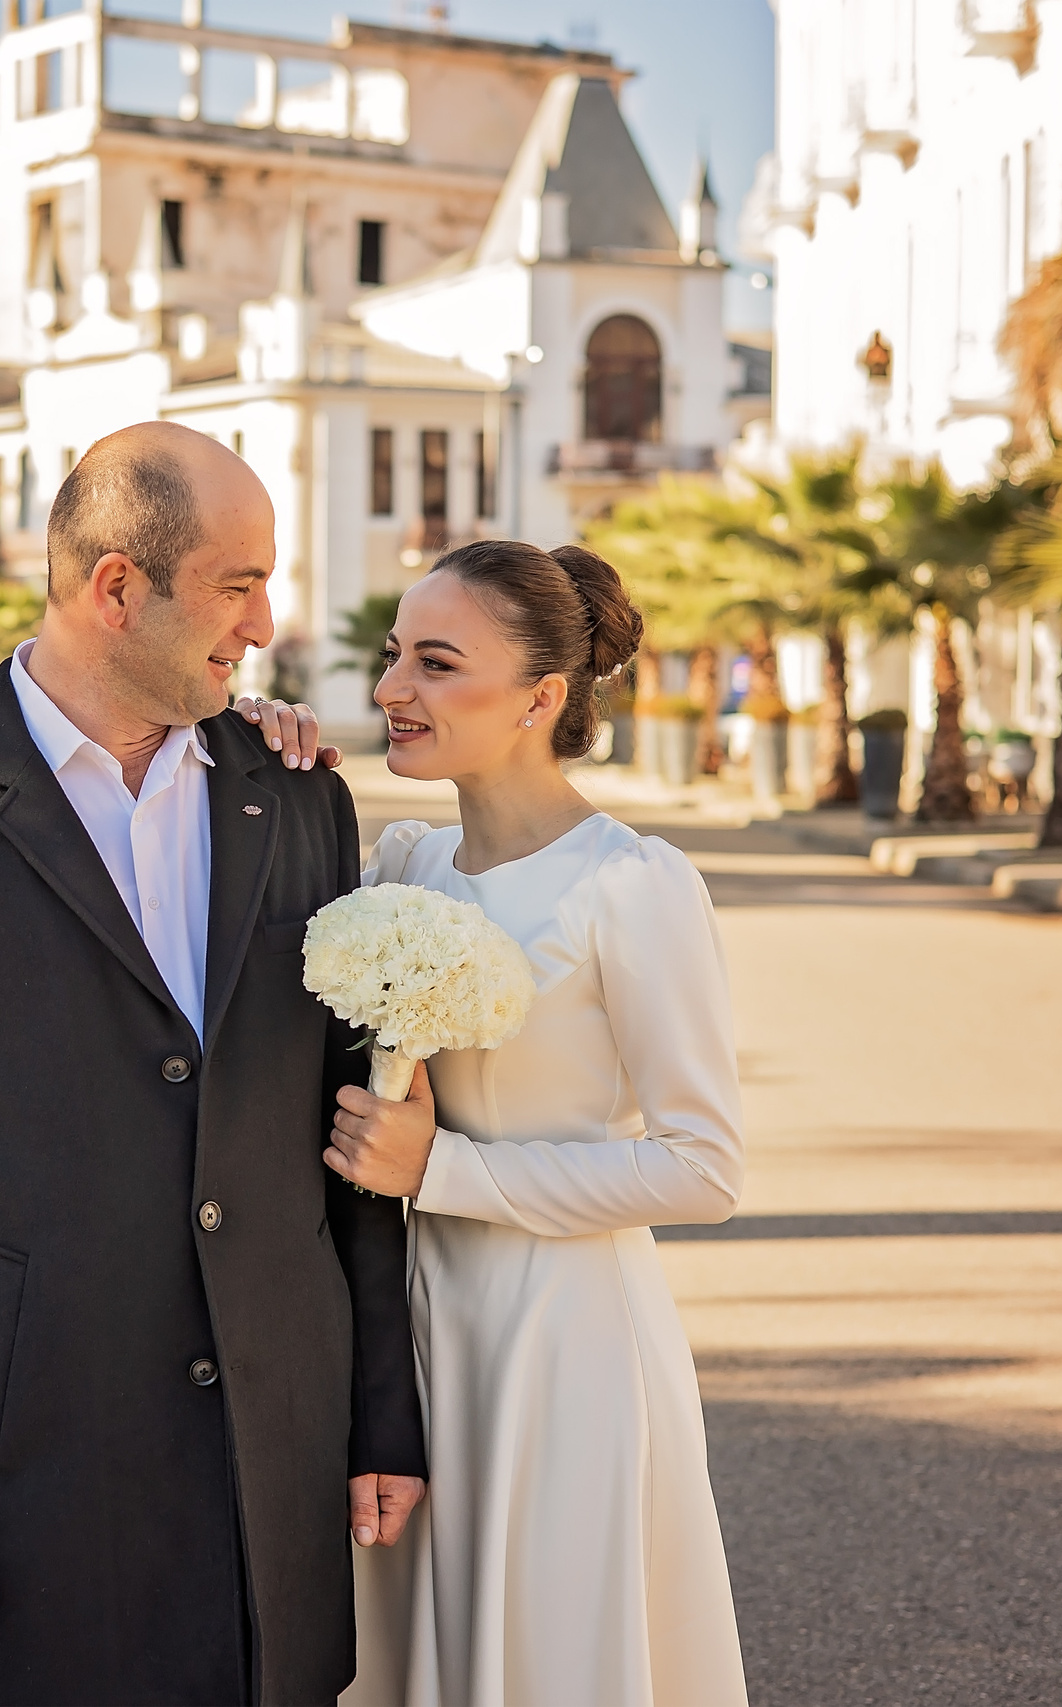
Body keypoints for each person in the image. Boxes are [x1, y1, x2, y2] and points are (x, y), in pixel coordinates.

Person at [0, 420, 428, 1705]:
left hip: (271, 1450)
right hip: (23, 1467)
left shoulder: (299, 794)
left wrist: (375, 1415)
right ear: (116, 585)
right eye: (237, 584)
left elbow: (340, 1121)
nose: (263, 621)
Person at [328, 540, 750, 1706]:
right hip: (412, 1337)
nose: (390, 690)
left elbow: (702, 1168)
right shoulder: (404, 863)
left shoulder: (630, 884)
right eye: (391, 656)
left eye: (434, 662)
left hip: (558, 1340)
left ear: (540, 698)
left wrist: (445, 1170)